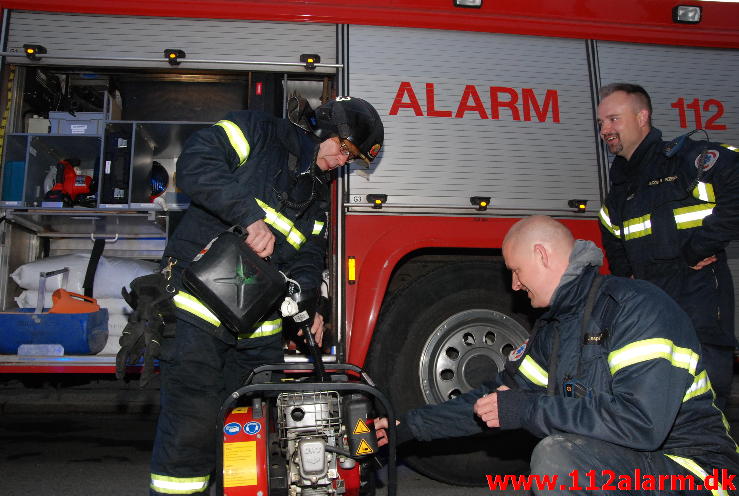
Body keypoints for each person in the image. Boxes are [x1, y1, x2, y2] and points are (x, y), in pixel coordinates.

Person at [375, 215, 739, 495]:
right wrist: (407, 426)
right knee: (559, 452)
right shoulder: (557, 329)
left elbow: (640, 424)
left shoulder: (635, 308)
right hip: (634, 464)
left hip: (697, 474)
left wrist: (528, 410)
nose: (515, 285)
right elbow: (492, 400)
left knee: (557, 455)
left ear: (541, 255)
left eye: (516, 271)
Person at [146, 96, 383, 495]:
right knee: (192, 426)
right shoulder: (258, 132)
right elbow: (195, 164)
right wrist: (248, 216)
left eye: (353, 158)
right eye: (344, 148)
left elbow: (308, 256)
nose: (345, 161)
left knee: (252, 436)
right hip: (198, 313)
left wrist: (309, 307)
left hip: (258, 334)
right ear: (322, 129)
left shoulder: (319, 194)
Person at [596, 82, 739, 410]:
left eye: (614, 119)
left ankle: (713, 459)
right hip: (652, 303)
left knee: (706, 394)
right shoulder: (620, 188)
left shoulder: (683, 161)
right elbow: (612, 233)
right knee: (660, 396)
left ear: (642, 116)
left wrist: (699, 248)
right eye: (601, 123)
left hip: (698, 293)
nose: (605, 129)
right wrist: (628, 280)